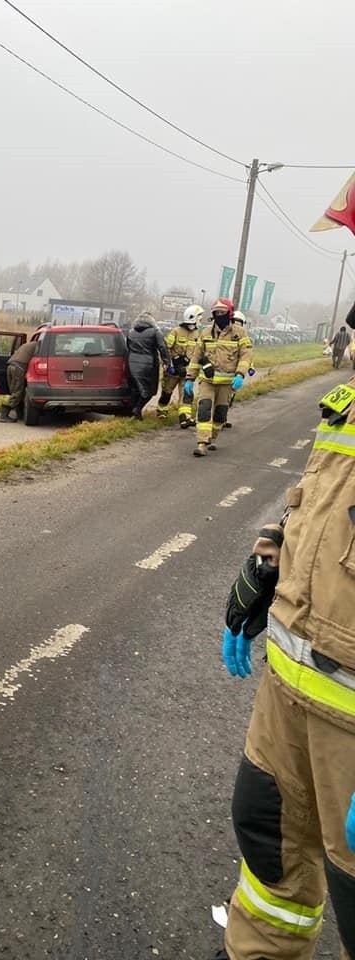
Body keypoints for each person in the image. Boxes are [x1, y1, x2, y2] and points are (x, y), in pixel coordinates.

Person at [215, 304, 355, 960]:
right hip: (290, 690)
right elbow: (321, 501)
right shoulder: (349, 405)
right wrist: (271, 559)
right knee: (269, 844)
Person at [184, 298, 252, 457]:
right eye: (217, 313)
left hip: (227, 383)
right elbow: (196, 357)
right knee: (204, 410)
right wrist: (189, 378)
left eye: (222, 312)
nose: (219, 315)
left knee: (220, 414)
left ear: (229, 314)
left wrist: (240, 374)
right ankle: (202, 443)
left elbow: (246, 355)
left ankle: (212, 437)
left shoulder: (239, 333)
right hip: (207, 381)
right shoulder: (206, 333)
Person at [156, 304, 202, 427]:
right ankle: (162, 410)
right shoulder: (176, 331)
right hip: (173, 370)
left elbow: (198, 352)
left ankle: (184, 418)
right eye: (199, 317)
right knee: (167, 392)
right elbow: (166, 349)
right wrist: (169, 364)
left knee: (186, 394)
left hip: (186, 371)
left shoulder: (197, 334)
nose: (200, 320)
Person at [126, 312, 171, 420]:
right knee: (149, 390)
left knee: (136, 389)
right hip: (148, 364)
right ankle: (137, 409)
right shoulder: (155, 331)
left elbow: (128, 346)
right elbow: (162, 347)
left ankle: (136, 412)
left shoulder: (131, 332)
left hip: (132, 362)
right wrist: (167, 362)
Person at [0, 338, 38, 422]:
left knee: (14, 391)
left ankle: (19, 413)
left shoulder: (28, 344)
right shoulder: (39, 346)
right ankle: (4, 414)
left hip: (10, 365)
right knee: (18, 391)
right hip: (19, 367)